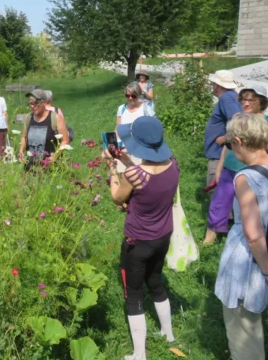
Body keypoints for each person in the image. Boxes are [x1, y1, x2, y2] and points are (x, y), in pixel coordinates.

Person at [214, 113, 268, 360]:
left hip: (249, 266)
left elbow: (254, 235)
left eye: (229, 144)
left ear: (238, 141)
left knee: (244, 329)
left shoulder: (245, 177)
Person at [102, 116, 179, 360]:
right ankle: (168, 334)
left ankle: (139, 354)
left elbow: (118, 197)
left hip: (138, 242)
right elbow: (149, 186)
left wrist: (112, 169)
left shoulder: (134, 175)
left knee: (133, 294)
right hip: (163, 236)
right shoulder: (173, 163)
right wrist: (125, 160)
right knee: (155, 281)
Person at [201, 85, 268, 245]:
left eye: (251, 100)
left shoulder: (267, 122)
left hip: (251, 171)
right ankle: (209, 240)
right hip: (229, 169)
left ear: (262, 102)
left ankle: (250, 240)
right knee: (219, 203)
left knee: (249, 208)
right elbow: (227, 145)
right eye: (244, 99)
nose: (246, 103)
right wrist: (219, 169)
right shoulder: (238, 120)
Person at [203, 70, 241, 194]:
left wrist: (226, 137)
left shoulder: (226, 98)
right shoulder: (232, 96)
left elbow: (237, 118)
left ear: (217, 86)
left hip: (218, 153)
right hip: (220, 152)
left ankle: (220, 213)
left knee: (215, 189)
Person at [18, 89, 69, 169]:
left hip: (51, 168)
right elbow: (24, 137)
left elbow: (65, 140)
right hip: (30, 167)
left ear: (44, 103)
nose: (32, 106)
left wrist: (54, 157)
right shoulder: (28, 117)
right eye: (30, 103)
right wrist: (21, 151)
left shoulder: (55, 118)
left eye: (35, 103)